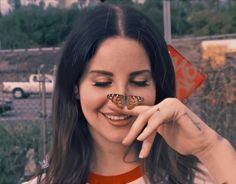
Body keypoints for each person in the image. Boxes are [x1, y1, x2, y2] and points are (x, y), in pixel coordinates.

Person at [23, 4, 236, 184]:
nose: (121, 101)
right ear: (75, 87)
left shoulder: (202, 176)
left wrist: (209, 147)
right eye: (102, 82)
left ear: (157, 87)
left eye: (139, 82)